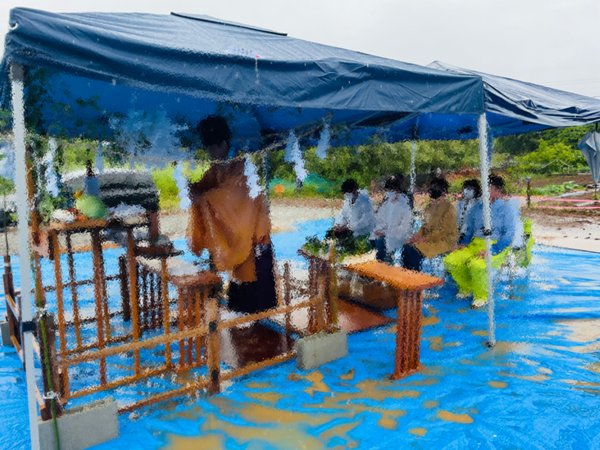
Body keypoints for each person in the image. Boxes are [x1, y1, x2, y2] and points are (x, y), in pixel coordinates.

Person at [187, 115, 277, 315]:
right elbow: (208, 187)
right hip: (240, 237)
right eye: (208, 148)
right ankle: (244, 324)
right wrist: (192, 188)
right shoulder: (219, 166)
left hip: (255, 238)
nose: (210, 153)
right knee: (239, 289)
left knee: (255, 299)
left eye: (213, 147)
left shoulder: (243, 165)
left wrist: (202, 198)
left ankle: (258, 331)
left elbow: (231, 196)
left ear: (224, 142)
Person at [444, 174, 519, 308]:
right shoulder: (476, 208)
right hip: (474, 244)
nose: (484, 192)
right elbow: (469, 229)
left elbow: (509, 235)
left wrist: (492, 250)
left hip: (496, 245)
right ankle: (466, 288)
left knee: (477, 265)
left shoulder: (507, 209)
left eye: (488, 188)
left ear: (498, 191)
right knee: (451, 260)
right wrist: (463, 244)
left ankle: (481, 296)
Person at [402, 177, 459, 271]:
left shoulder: (450, 209)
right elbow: (424, 226)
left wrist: (425, 238)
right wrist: (417, 236)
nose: (435, 202)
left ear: (444, 193)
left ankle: (415, 278)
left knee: (415, 250)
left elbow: (443, 231)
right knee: (406, 246)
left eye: (438, 199)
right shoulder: (429, 207)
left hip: (443, 241)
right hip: (428, 239)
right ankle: (406, 276)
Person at [370, 174, 413, 263]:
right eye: (388, 190)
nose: (389, 193)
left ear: (398, 191)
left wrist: (386, 232)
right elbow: (379, 219)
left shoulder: (405, 204)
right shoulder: (386, 204)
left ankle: (383, 268)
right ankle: (378, 267)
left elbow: (405, 228)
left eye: (392, 190)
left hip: (399, 235)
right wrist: (379, 230)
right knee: (372, 239)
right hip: (385, 233)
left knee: (382, 243)